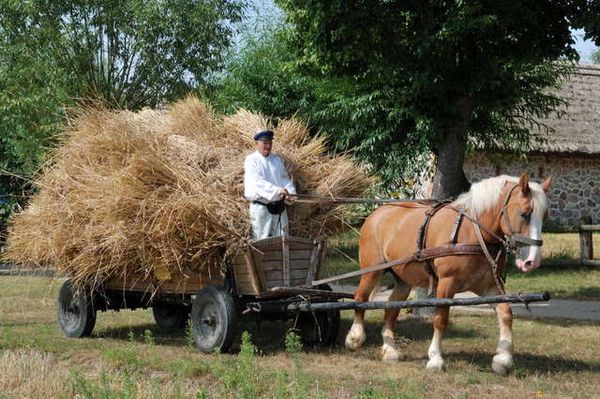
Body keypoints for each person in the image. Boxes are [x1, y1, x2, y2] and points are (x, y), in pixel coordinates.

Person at [244, 129, 296, 240]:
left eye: (270, 143)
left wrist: (290, 194)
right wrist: (278, 191)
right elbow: (258, 182)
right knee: (262, 241)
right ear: (256, 144)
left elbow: (285, 179)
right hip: (261, 208)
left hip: (279, 207)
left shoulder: (276, 160)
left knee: (283, 240)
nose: (268, 146)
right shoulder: (251, 160)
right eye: (265, 143)